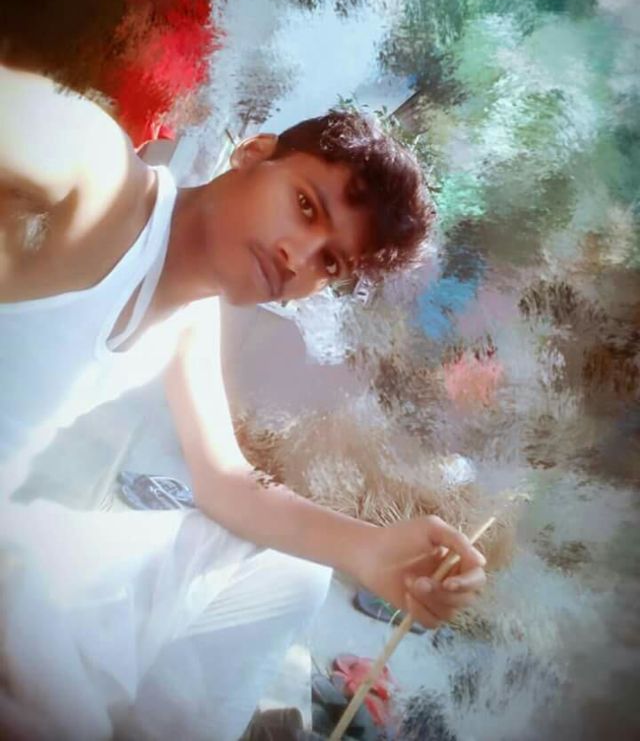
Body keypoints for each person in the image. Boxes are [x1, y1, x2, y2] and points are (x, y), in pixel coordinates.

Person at [0, 64, 487, 740]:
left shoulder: (191, 318)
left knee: (290, 575)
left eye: (330, 263)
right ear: (253, 153)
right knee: (68, 718)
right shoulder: (105, 180)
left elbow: (226, 481)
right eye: (306, 205)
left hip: (23, 538)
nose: (298, 257)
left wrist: (374, 551)